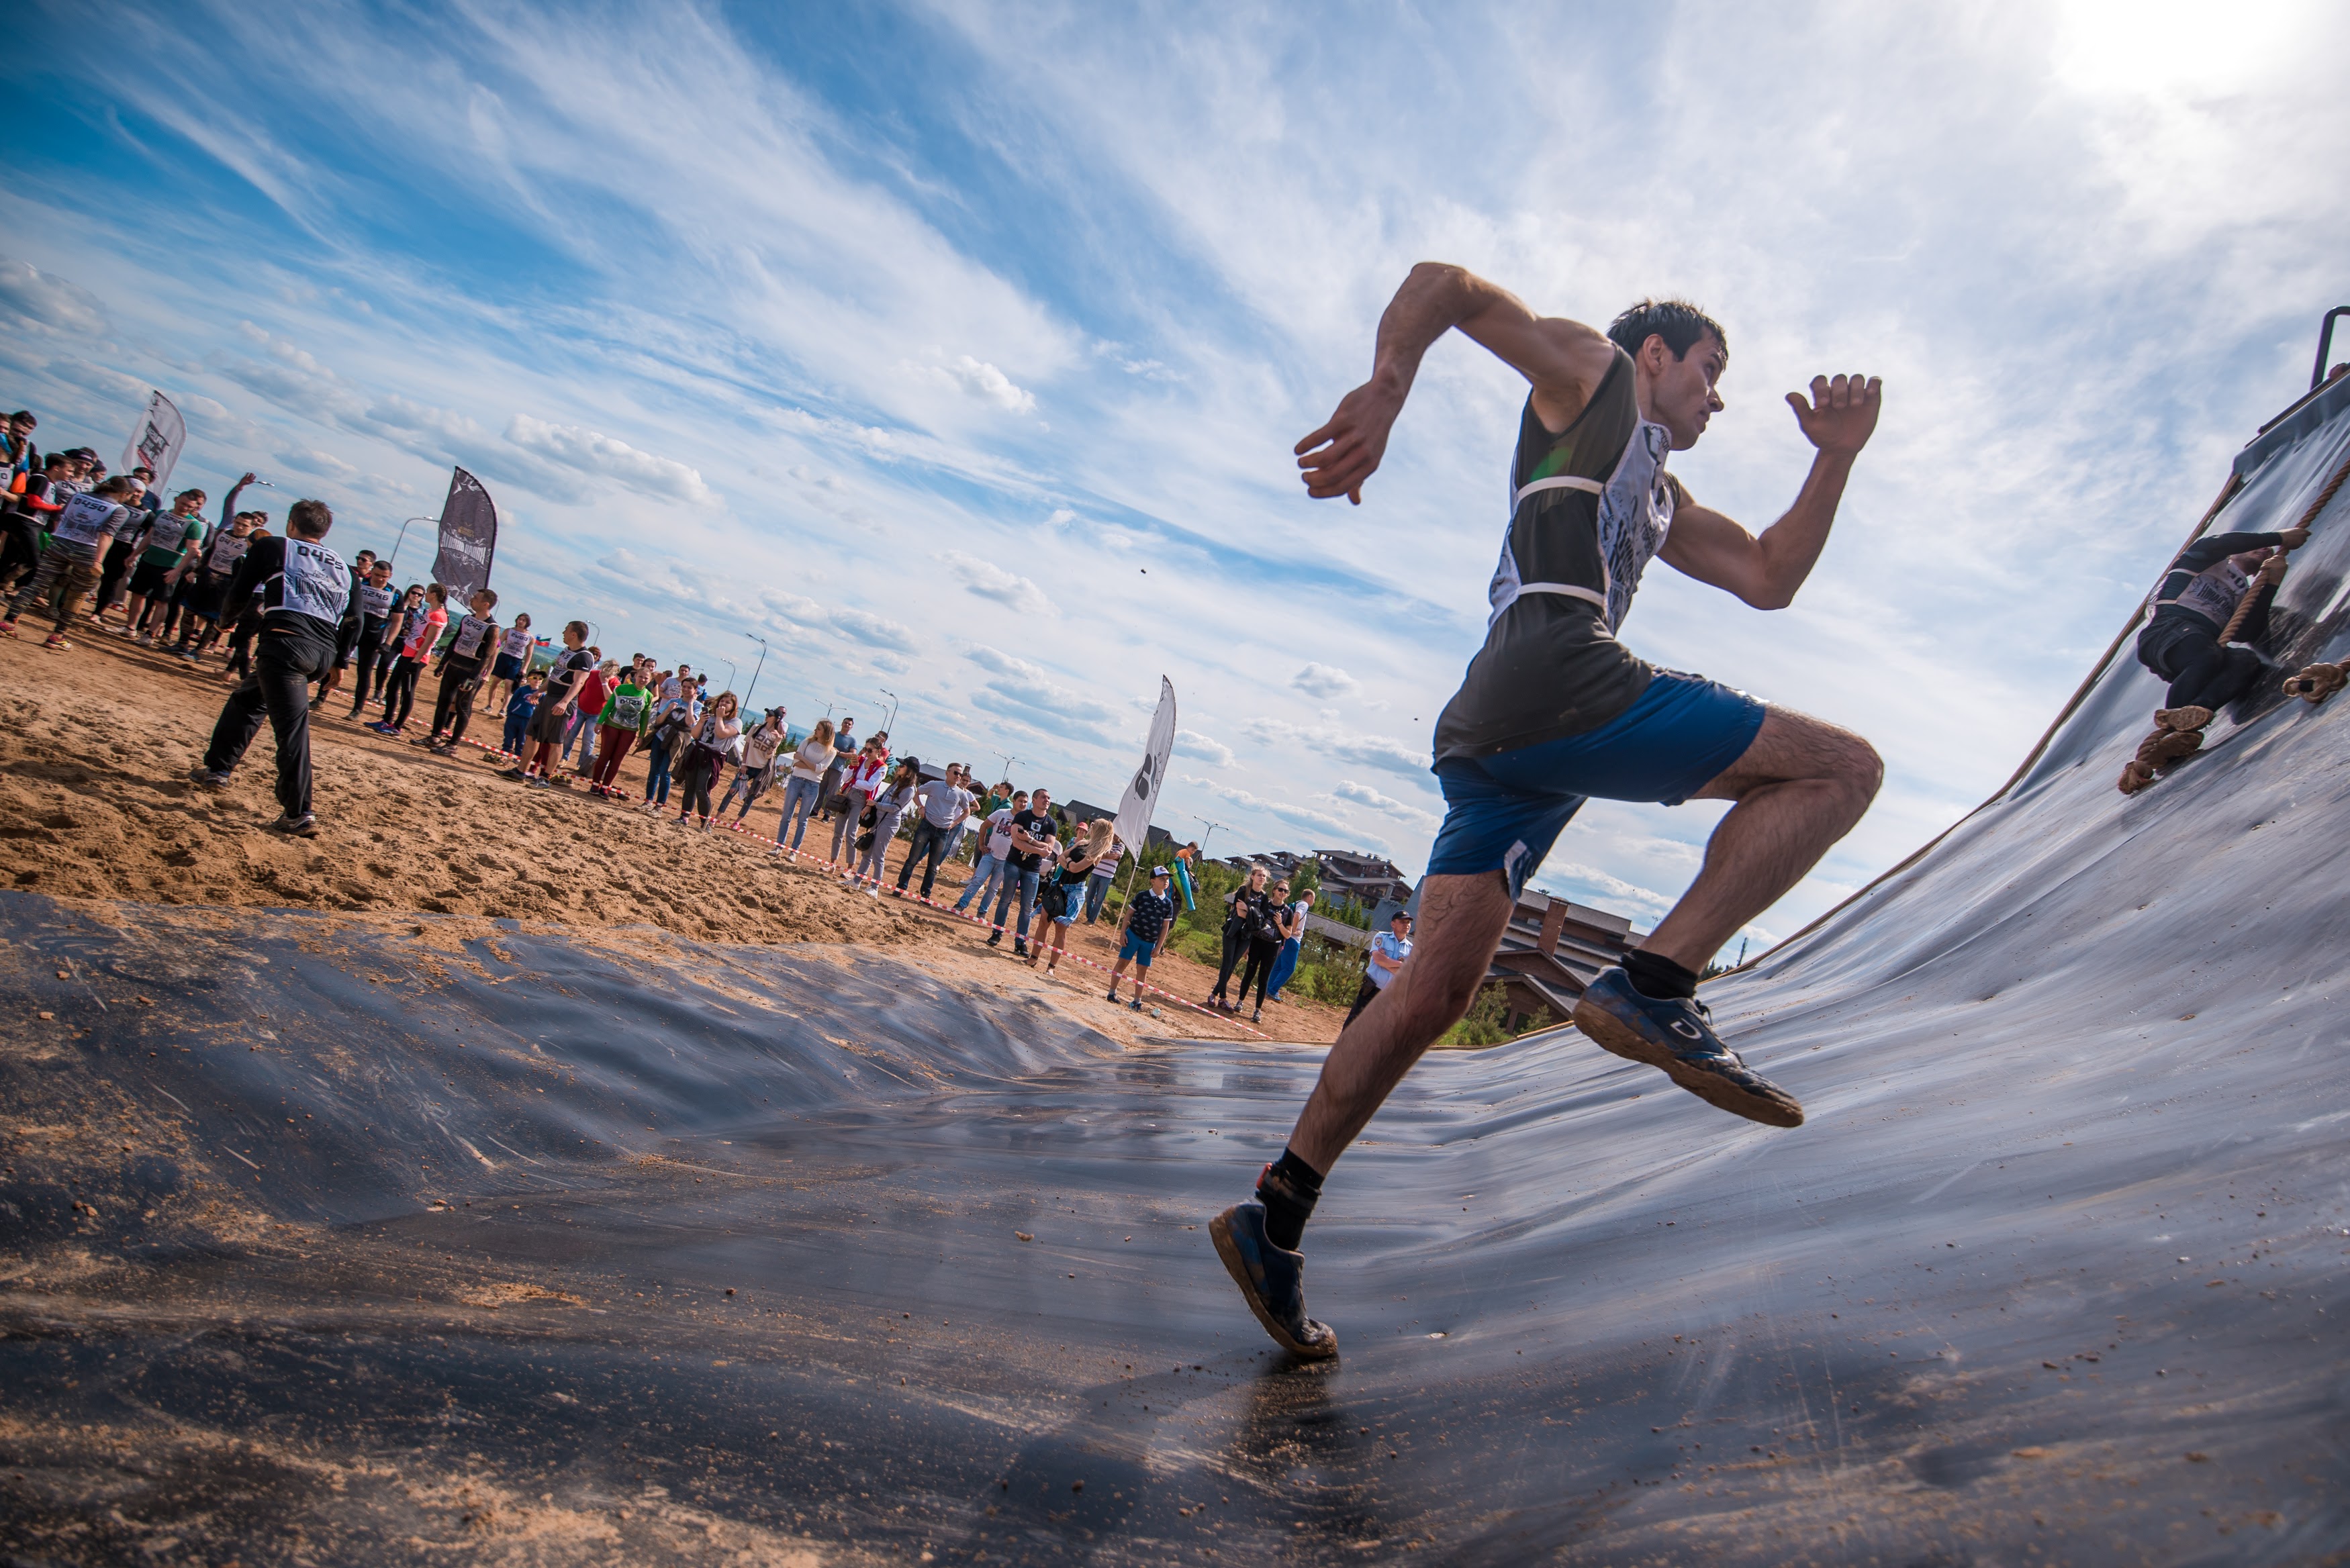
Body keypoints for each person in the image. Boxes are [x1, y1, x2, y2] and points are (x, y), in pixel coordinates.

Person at [1210, 269, 1885, 1361]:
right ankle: (1655, 982)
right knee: (1842, 770)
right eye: (1711, 371)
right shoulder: (1597, 375)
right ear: (1658, 355)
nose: (1718, 397)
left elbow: (1769, 577)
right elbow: (1444, 286)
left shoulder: (1663, 496)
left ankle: (1274, 1216)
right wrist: (1386, 391)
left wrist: (1836, 457)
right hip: (1558, 672)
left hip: (1508, 735)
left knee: (1435, 991)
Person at [187, 497, 348, 836]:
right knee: (248, 700)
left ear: (291, 524)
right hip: (321, 653)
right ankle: (217, 769)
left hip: (285, 648)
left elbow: (241, 589)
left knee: (292, 729)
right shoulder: (345, 568)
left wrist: (225, 621)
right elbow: (355, 620)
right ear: (325, 531)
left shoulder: (275, 546)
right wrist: (340, 662)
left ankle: (299, 813)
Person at [2132, 524, 2309, 725]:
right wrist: (2278, 538)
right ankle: (2172, 722)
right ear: (2235, 552)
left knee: (2244, 660)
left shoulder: (2245, 595)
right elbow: (2220, 543)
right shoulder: (2201, 559)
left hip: (2198, 651)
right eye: (2259, 546)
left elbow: (2246, 633)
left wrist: (2271, 584)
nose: (2266, 549)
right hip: (2167, 633)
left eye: (2269, 551)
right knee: (2207, 653)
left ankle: (2195, 716)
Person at [0, 476, 140, 648]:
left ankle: (8, 623)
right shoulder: (119, 509)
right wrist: (98, 561)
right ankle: (57, 636)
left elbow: (60, 518)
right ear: (124, 493)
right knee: (77, 595)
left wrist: (57, 537)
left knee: (36, 585)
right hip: (87, 551)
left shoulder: (78, 496)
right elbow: (106, 535)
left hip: (59, 544)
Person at [122, 487, 207, 642]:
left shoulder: (193, 525)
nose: (184, 508)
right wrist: (135, 554)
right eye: (183, 503)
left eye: (189, 506)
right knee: (138, 594)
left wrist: (177, 571)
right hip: (149, 560)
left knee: (161, 601)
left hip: (169, 566)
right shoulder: (162, 514)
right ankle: (130, 628)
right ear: (176, 500)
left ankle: (150, 635)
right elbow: (149, 536)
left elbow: (192, 551)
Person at [1031, 819, 1113, 975]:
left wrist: (1067, 862)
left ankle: (1051, 967)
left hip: (1073, 891)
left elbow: (1075, 868)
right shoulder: (1081, 843)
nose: (1091, 827)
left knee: (1061, 930)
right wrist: (1068, 863)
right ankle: (1033, 958)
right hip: (1059, 885)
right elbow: (1061, 856)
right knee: (1043, 922)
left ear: (1099, 830)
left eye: (1094, 826)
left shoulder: (1097, 853)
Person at [422, 589, 500, 751]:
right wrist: (442, 664)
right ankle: (435, 737)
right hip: (453, 666)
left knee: (462, 707)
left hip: (469, 671)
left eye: (476, 598)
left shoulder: (492, 628)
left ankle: (452, 745)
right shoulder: (467, 618)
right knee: (443, 702)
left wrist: (473, 678)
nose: (471, 599)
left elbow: (487, 656)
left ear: (485, 604)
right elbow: (454, 642)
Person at [980, 784, 1055, 952]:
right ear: (1034, 800)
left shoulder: (1051, 823)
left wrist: (1030, 840)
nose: (1047, 800)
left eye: (1049, 798)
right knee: (1005, 899)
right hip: (1014, 863)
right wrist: (1039, 849)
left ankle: (1021, 942)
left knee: (1027, 907)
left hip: (1033, 869)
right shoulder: (1022, 816)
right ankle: (997, 933)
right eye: (1043, 797)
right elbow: (1017, 842)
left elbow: (1049, 848)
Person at [519, 621, 593, 786]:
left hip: (562, 701)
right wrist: (540, 691)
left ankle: (546, 778)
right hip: (549, 697)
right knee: (532, 734)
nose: (563, 632)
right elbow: (556, 676)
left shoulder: (585, 656)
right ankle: (521, 771)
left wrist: (565, 702)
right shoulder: (567, 651)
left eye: (566, 630)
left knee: (556, 741)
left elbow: (579, 683)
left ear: (574, 634)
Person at [371, 583, 446, 735]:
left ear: (434, 595)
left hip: (416, 657)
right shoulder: (430, 611)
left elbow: (429, 641)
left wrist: (416, 660)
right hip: (407, 651)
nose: (425, 595)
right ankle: (387, 720)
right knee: (392, 686)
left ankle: (397, 727)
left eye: (427, 592)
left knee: (407, 692)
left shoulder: (439, 615)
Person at [896, 763, 974, 901]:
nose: (958, 777)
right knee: (913, 859)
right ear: (947, 773)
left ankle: (926, 894)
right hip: (926, 826)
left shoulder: (961, 794)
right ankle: (901, 887)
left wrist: (955, 823)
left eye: (960, 774)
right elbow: (916, 793)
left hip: (943, 831)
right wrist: (920, 807)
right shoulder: (934, 785)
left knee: (933, 865)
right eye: (956, 773)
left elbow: (967, 812)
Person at [1106, 863, 1178, 1010]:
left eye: (1167, 879)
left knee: (1142, 969)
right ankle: (1112, 993)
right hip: (1133, 936)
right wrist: (1123, 933)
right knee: (1122, 963)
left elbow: (1165, 927)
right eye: (1162, 878)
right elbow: (1129, 914)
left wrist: (1159, 946)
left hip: (1150, 942)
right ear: (1153, 881)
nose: (1166, 881)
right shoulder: (1142, 896)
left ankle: (1137, 1001)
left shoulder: (1168, 904)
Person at [1208, 864, 1273, 1012]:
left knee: (1232, 966)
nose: (1262, 878)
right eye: (1259, 875)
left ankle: (1213, 995)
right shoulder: (1244, 890)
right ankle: (1223, 998)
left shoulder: (1264, 897)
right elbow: (1239, 912)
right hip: (1233, 930)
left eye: (1264, 876)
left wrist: (1248, 909)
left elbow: (1261, 920)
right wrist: (1253, 914)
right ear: (1253, 877)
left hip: (1247, 935)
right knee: (1227, 964)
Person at [849, 758, 921, 892]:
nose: (899, 767)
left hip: (889, 824)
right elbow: (883, 796)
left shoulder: (910, 789)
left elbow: (895, 808)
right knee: (867, 852)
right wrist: (870, 806)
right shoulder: (898, 782)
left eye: (902, 765)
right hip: (879, 819)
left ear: (910, 771)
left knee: (878, 856)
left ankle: (874, 888)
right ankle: (856, 881)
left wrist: (875, 805)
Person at [1232, 875, 1295, 1023]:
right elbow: (1254, 923)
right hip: (1257, 942)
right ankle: (1240, 1002)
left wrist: (1280, 924)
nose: (1283, 893)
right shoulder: (1265, 904)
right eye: (1280, 890)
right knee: (1249, 973)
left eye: (1286, 891)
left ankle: (1257, 1011)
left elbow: (1288, 934)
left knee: (1263, 978)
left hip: (1273, 946)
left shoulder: (1288, 911)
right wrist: (1247, 946)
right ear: (1274, 890)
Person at [674, 691, 741, 828]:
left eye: (728, 702)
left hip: (713, 757)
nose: (723, 704)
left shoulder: (735, 722)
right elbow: (695, 734)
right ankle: (684, 817)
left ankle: (705, 823)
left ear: (733, 706)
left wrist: (720, 718)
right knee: (690, 786)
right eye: (722, 701)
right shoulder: (711, 717)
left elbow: (721, 733)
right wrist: (702, 721)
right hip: (698, 751)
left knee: (702, 789)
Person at [955, 788, 1026, 916]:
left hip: (1006, 861)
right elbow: (984, 826)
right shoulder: (1002, 813)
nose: (1023, 804)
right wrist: (981, 845)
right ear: (1014, 801)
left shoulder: (1025, 822)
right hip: (990, 854)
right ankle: (961, 904)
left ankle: (982, 912)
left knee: (993, 887)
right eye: (1021, 801)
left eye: (1025, 802)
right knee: (978, 880)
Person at [340, 560, 397, 712]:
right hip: (351, 631)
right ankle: (321, 698)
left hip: (374, 638)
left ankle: (357, 709)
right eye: (377, 575)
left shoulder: (395, 593)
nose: (380, 579)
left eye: (384, 576)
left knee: (365, 672)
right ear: (371, 572)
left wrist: (388, 643)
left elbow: (398, 621)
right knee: (337, 662)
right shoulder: (359, 584)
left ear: (390, 576)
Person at [774, 718, 837, 852]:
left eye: (819, 729)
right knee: (786, 815)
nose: (815, 730)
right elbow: (796, 763)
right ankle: (779, 846)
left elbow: (819, 768)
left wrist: (804, 759)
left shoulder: (831, 752)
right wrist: (813, 767)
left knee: (803, 820)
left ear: (826, 732)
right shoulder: (807, 742)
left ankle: (794, 850)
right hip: (796, 780)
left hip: (813, 785)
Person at [827, 734, 891, 863]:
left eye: (870, 750)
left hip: (861, 799)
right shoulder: (860, 760)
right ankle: (832, 862)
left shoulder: (881, 766)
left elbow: (870, 785)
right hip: (848, 794)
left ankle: (850, 866)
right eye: (865, 749)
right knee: (838, 831)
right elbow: (846, 778)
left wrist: (854, 780)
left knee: (851, 833)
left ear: (878, 751)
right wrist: (851, 767)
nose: (867, 753)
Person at [587, 664, 650, 795]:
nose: (643, 680)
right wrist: (600, 722)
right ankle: (595, 785)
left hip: (629, 731)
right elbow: (609, 706)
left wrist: (641, 736)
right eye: (641, 677)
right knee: (605, 755)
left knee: (617, 760)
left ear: (650, 680)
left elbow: (645, 718)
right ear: (636, 676)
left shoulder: (648, 696)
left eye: (646, 678)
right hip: (612, 726)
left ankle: (605, 788)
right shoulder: (622, 688)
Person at [1344, 910, 1413, 1027]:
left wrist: (1385, 962)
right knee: (1354, 1022)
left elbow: (1406, 974)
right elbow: (1378, 959)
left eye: (1408, 922)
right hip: (1372, 989)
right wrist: (1401, 965)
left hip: (1391, 995)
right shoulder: (1382, 937)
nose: (1406, 925)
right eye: (1402, 922)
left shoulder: (1411, 949)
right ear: (1393, 924)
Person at [718, 707, 786, 817]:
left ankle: (738, 821)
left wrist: (775, 743)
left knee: (751, 796)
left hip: (761, 770)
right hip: (747, 766)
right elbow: (747, 746)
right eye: (767, 714)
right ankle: (717, 816)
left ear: (777, 719)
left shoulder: (776, 736)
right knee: (732, 790)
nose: (767, 716)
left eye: (770, 715)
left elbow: (768, 756)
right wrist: (744, 764)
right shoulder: (756, 728)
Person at [1266, 887, 1317, 1004]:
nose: (1314, 902)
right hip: (1293, 940)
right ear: (1309, 897)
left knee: (1278, 966)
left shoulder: (1296, 903)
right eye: (1314, 899)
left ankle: (1268, 989)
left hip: (1285, 938)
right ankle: (1273, 991)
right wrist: (1293, 930)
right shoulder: (1304, 904)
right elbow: (1297, 916)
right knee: (1289, 968)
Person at [483, 611, 533, 715]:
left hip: (516, 661)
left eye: (524, 620)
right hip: (504, 657)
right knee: (496, 682)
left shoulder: (530, 637)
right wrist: (490, 653)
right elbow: (498, 643)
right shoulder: (508, 631)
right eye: (520, 619)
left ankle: (503, 709)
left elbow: (529, 654)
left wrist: (525, 668)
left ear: (527, 623)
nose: (521, 621)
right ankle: (490, 705)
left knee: (509, 684)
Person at [1083, 831, 1124, 922]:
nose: (1116, 835)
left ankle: (1091, 920)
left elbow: (1115, 855)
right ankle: (1090, 917)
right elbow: (1096, 853)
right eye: (1115, 833)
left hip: (1107, 876)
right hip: (1096, 872)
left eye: (1118, 834)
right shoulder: (1104, 842)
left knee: (1099, 899)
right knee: (1089, 896)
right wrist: (1106, 855)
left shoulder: (1121, 846)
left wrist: (1102, 855)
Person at [502, 670, 543, 758]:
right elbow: (513, 701)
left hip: (528, 720)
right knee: (509, 735)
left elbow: (542, 709)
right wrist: (510, 712)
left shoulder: (542, 695)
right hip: (514, 717)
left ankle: (518, 754)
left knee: (522, 739)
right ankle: (506, 751)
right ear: (529, 679)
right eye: (535, 678)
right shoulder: (522, 690)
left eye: (540, 678)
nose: (538, 680)